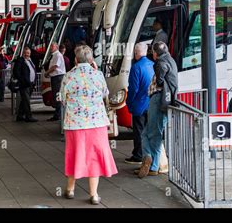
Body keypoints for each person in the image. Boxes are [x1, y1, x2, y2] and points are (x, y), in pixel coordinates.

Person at [60, 45, 118, 205]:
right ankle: (94, 194)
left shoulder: (68, 76)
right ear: (91, 60)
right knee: (94, 157)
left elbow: (62, 99)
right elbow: (106, 94)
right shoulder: (98, 75)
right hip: (97, 123)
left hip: (74, 124)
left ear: (75, 60)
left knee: (74, 154)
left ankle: (70, 189)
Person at [138, 41, 178, 178]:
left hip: (158, 99)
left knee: (154, 133)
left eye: (153, 52)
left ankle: (152, 164)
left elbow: (160, 81)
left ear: (155, 53)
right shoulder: (170, 59)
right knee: (146, 133)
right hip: (160, 100)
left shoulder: (161, 62)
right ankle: (148, 159)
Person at [125, 42, 154, 165]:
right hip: (151, 103)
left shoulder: (136, 67)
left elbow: (133, 89)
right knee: (149, 131)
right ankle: (149, 156)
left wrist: (129, 102)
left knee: (138, 131)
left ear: (136, 53)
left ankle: (138, 155)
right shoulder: (152, 64)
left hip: (139, 104)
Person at [13, 47, 38, 122]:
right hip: (24, 84)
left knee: (24, 100)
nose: (28, 55)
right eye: (26, 53)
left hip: (30, 84)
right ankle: (28, 116)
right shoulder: (20, 60)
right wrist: (22, 80)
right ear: (23, 53)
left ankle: (20, 116)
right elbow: (16, 72)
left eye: (29, 53)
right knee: (26, 101)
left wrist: (34, 82)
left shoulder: (30, 60)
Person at [45, 43, 66, 121]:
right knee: (56, 95)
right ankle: (57, 114)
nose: (50, 48)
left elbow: (55, 66)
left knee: (57, 96)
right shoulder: (55, 55)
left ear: (57, 47)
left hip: (58, 78)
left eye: (52, 46)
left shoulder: (57, 55)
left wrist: (47, 73)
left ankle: (58, 115)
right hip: (55, 77)